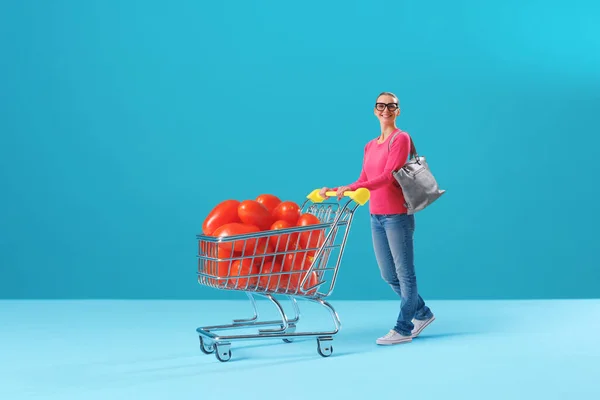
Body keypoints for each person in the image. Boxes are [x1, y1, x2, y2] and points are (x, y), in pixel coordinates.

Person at [319, 91, 435, 345]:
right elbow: (363, 179)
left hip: (397, 215)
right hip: (376, 215)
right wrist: (342, 188)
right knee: (388, 274)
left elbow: (388, 176)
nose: (385, 110)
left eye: (391, 106)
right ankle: (422, 313)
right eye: (381, 106)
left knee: (405, 274)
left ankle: (403, 328)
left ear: (398, 111)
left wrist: (352, 190)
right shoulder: (370, 145)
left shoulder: (400, 138)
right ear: (374, 110)